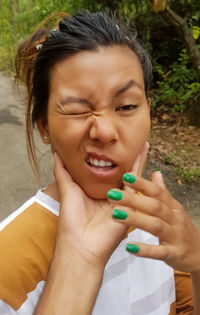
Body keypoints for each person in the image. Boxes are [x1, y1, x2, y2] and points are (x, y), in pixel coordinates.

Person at [0, 10, 200, 315]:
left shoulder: (158, 218)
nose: (104, 131)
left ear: (148, 110)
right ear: (44, 126)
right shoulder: (7, 260)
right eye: (78, 109)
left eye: (127, 106)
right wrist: (79, 261)